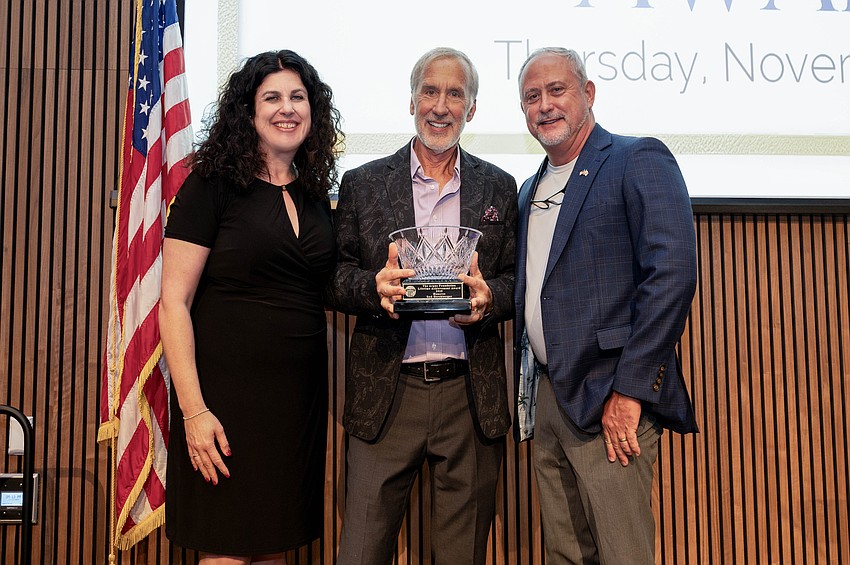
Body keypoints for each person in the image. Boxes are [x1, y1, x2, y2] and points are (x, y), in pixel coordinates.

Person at [325, 47, 517, 565]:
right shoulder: (364, 183)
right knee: (360, 552)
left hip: (468, 396)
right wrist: (375, 288)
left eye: (455, 93)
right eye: (430, 90)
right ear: (412, 101)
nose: (441, 104)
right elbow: (333, 277)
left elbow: (517, 280)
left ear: (471, 108)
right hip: (388, 393)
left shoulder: (501, 186)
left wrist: (489, 298)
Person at [513, 47, 699, 565]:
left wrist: (631, 389)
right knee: (565, 555)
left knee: (623, 556)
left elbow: (673, 273)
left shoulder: (636, 158)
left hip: (610, 400)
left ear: (588, 93)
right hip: (547, 398)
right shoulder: (530, 189)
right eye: (532, 96)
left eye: (558, 90)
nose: (545, 105)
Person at [159, 50, 343, 564]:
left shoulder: (313, 192)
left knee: (273, 545)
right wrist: (193, 412)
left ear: (313, 109)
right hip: (223, 403)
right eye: (273, 97)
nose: (287, 109)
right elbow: (173, 303)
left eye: (298, 97)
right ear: (248, 111)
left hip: (295, 405)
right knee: (227, 549)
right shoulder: (211, 185)